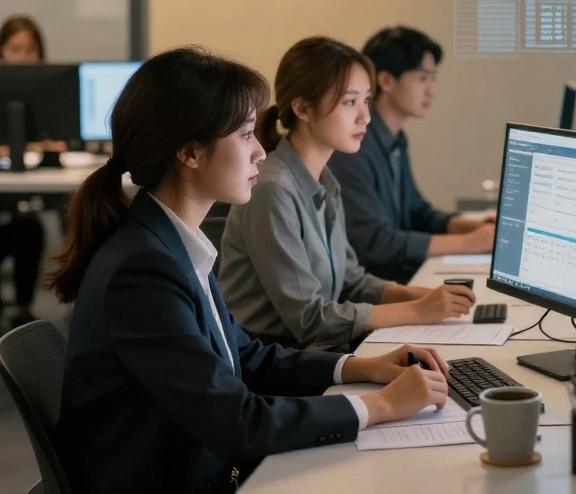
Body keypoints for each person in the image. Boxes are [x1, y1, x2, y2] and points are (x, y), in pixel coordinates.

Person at [51, 47, 454, 492]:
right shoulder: (142, 269)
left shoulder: (169, 242)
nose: (261, 151)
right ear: (190, 153)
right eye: (245, 135)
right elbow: (238, 423)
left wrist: (361, 367)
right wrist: (380, 407)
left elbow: (245, 356)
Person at [219, 37, 475, 349]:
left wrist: (423, 296)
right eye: (350, 102)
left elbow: (352, 280)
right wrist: (417, 310)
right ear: (302, 108)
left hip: (314, 351)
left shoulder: (324, 180)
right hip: (277, 364)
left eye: (367, 100)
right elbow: (310, 320)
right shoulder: (273, 189)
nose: (365, 117)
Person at [327, 26, 494, 285]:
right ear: (386, 81)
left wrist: (469, 226)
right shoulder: (354, 145)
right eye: (422, 77)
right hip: (374, 284)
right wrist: (468, 243)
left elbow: (417, 213)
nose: (432, 89)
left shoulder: (395, 139)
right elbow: (373, 242)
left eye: (433, 78)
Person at [0, 14, 48, 327]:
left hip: (33, 179)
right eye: (16, 48)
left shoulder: (47, 89)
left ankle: (24, 307)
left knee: (30, 229)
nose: (23, 57)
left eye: (30, 49)